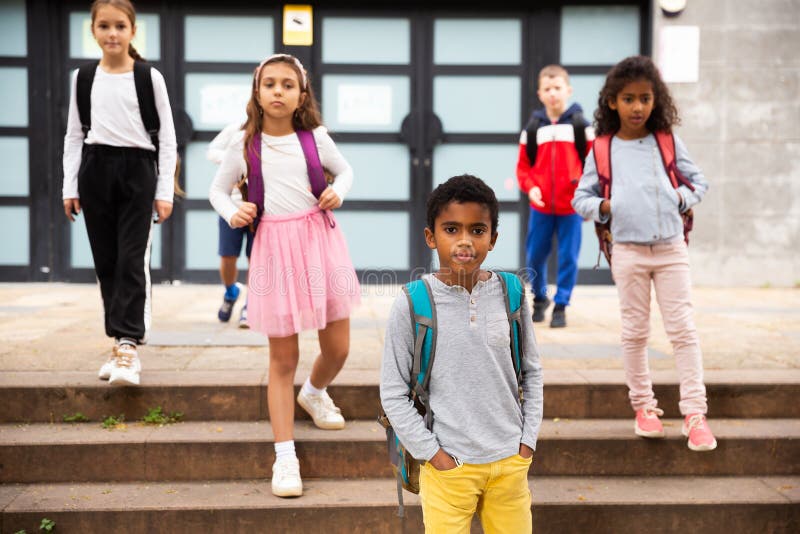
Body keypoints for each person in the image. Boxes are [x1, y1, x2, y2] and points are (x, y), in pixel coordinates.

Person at [209, 53, 360, 497]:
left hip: (321, 242)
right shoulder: (242, 144)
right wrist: (234, 210)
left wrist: (339, 190)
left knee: (338, 346)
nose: (278, 90)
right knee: (282, 360)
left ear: (301, 94)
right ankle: (285, 457)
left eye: (287, 84)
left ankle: (313, 392)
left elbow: (346, 170)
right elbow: (217, 190)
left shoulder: (316, 137)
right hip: (274, 249)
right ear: (257, 92)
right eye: (269, 83)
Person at [380, 175, 544, 533]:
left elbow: (531, 372)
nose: (465, 241)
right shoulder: (412, 302)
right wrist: (434, 456)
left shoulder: (512, 292)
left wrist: (526, 444)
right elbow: (392, 392)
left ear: (493, 238)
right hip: (448, 466)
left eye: (477, 230)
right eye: (451, 229)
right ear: (431, 236)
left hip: (509, 465)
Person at [572, 55, 716, 452]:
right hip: (628, 252)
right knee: (635, 333)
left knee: (683, 330)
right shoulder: (602, 148)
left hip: (671, 248)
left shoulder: (666, 140)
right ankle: (644, 408)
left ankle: (695, 414)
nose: (638, 107)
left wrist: (680, 198)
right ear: (613, 102)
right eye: (629, 98)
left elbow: (699, 181)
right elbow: (580, 198)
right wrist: (606, 206)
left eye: (646, 98)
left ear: (657, 101)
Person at [62, 0, 177, 387]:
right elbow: (74, 135)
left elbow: (169, 140)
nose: (112, 34)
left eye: (120, 26)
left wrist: (164, 191)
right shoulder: (83, 77)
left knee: (131, 260)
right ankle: (118, 343)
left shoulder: (149, 77)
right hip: (96, 171)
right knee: (106, 262)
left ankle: (128, 344)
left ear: (132, 31)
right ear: (93, 30)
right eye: (104, 26)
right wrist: (70, 186)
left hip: (138, 171)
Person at [516, 64, 593, 328]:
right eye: (547, 89)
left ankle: (561, 304)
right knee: (535, 255)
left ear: (568, 90)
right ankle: (539, 299)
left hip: (571, 208)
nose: (553, 94)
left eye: (557, 88)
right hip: (541, 208)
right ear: (540, 93)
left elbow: (594, 167)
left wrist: (586, 197)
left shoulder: (582, 126)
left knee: (568, 256)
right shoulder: (533, 129)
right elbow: (523, 167)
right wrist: (531, 186)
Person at [207, 122, 252, 328]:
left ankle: (251, 305)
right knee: (227, 257)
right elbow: (212, 150)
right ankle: (231, 291)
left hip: (261, 209)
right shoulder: (236, 129)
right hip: (231, 206)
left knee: (256, 259)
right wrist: (234, 161)